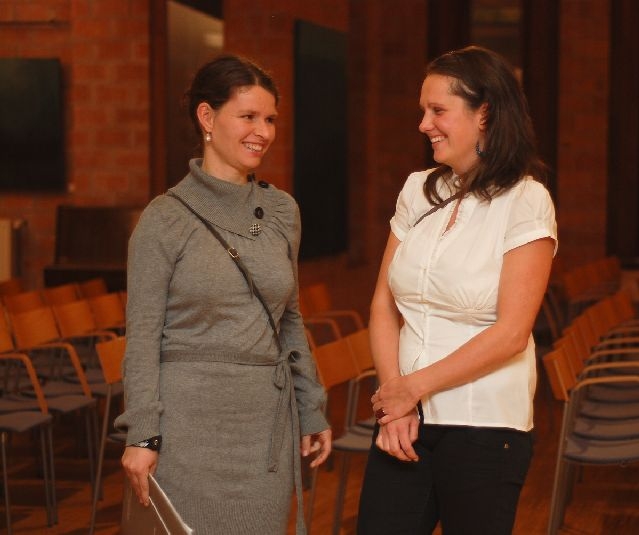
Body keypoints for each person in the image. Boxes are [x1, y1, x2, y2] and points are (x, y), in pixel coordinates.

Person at [115, 54, 331, 535]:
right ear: (207, 117)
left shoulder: (282, 211)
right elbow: (143, 336)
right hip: (187, 430)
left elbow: (289, 319)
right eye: (248, 116)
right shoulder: (164, 219)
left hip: (265, 429)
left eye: (270, 119)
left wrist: (310, 406)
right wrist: (142, 433)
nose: (263, 132)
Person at [358, 46, 557, 534]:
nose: (424, 124)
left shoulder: (526, 200)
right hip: (404, 417)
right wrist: (395, 402)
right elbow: (383, 306)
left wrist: (412, 389)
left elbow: (512, 333)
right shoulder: (417, 189)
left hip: (484, 422)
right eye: (423, 111)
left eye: (438, 111)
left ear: (483, 113)